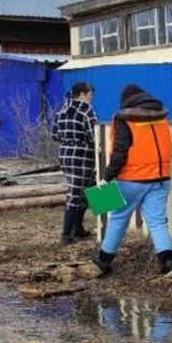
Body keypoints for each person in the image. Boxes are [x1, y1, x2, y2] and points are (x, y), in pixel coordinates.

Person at [91, 83, 172, 277]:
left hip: (131, 179)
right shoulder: (161, 117)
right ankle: (168, 263)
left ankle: (104, 261)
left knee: (119, 218)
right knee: (157, 222)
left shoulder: (124, 119)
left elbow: (120, 153)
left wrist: (107, 177)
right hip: (161, 178)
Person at [53, 82, 99, 245]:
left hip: (65, 156)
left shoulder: (61, 110)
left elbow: (54, 135)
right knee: (78, 193)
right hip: (83, 157)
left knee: (87, 189)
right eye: (90, 93)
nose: (91, 96)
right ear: (82, 94)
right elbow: (95, 136)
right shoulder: (87, 111)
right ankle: (66, 235)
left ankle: (77, 228)